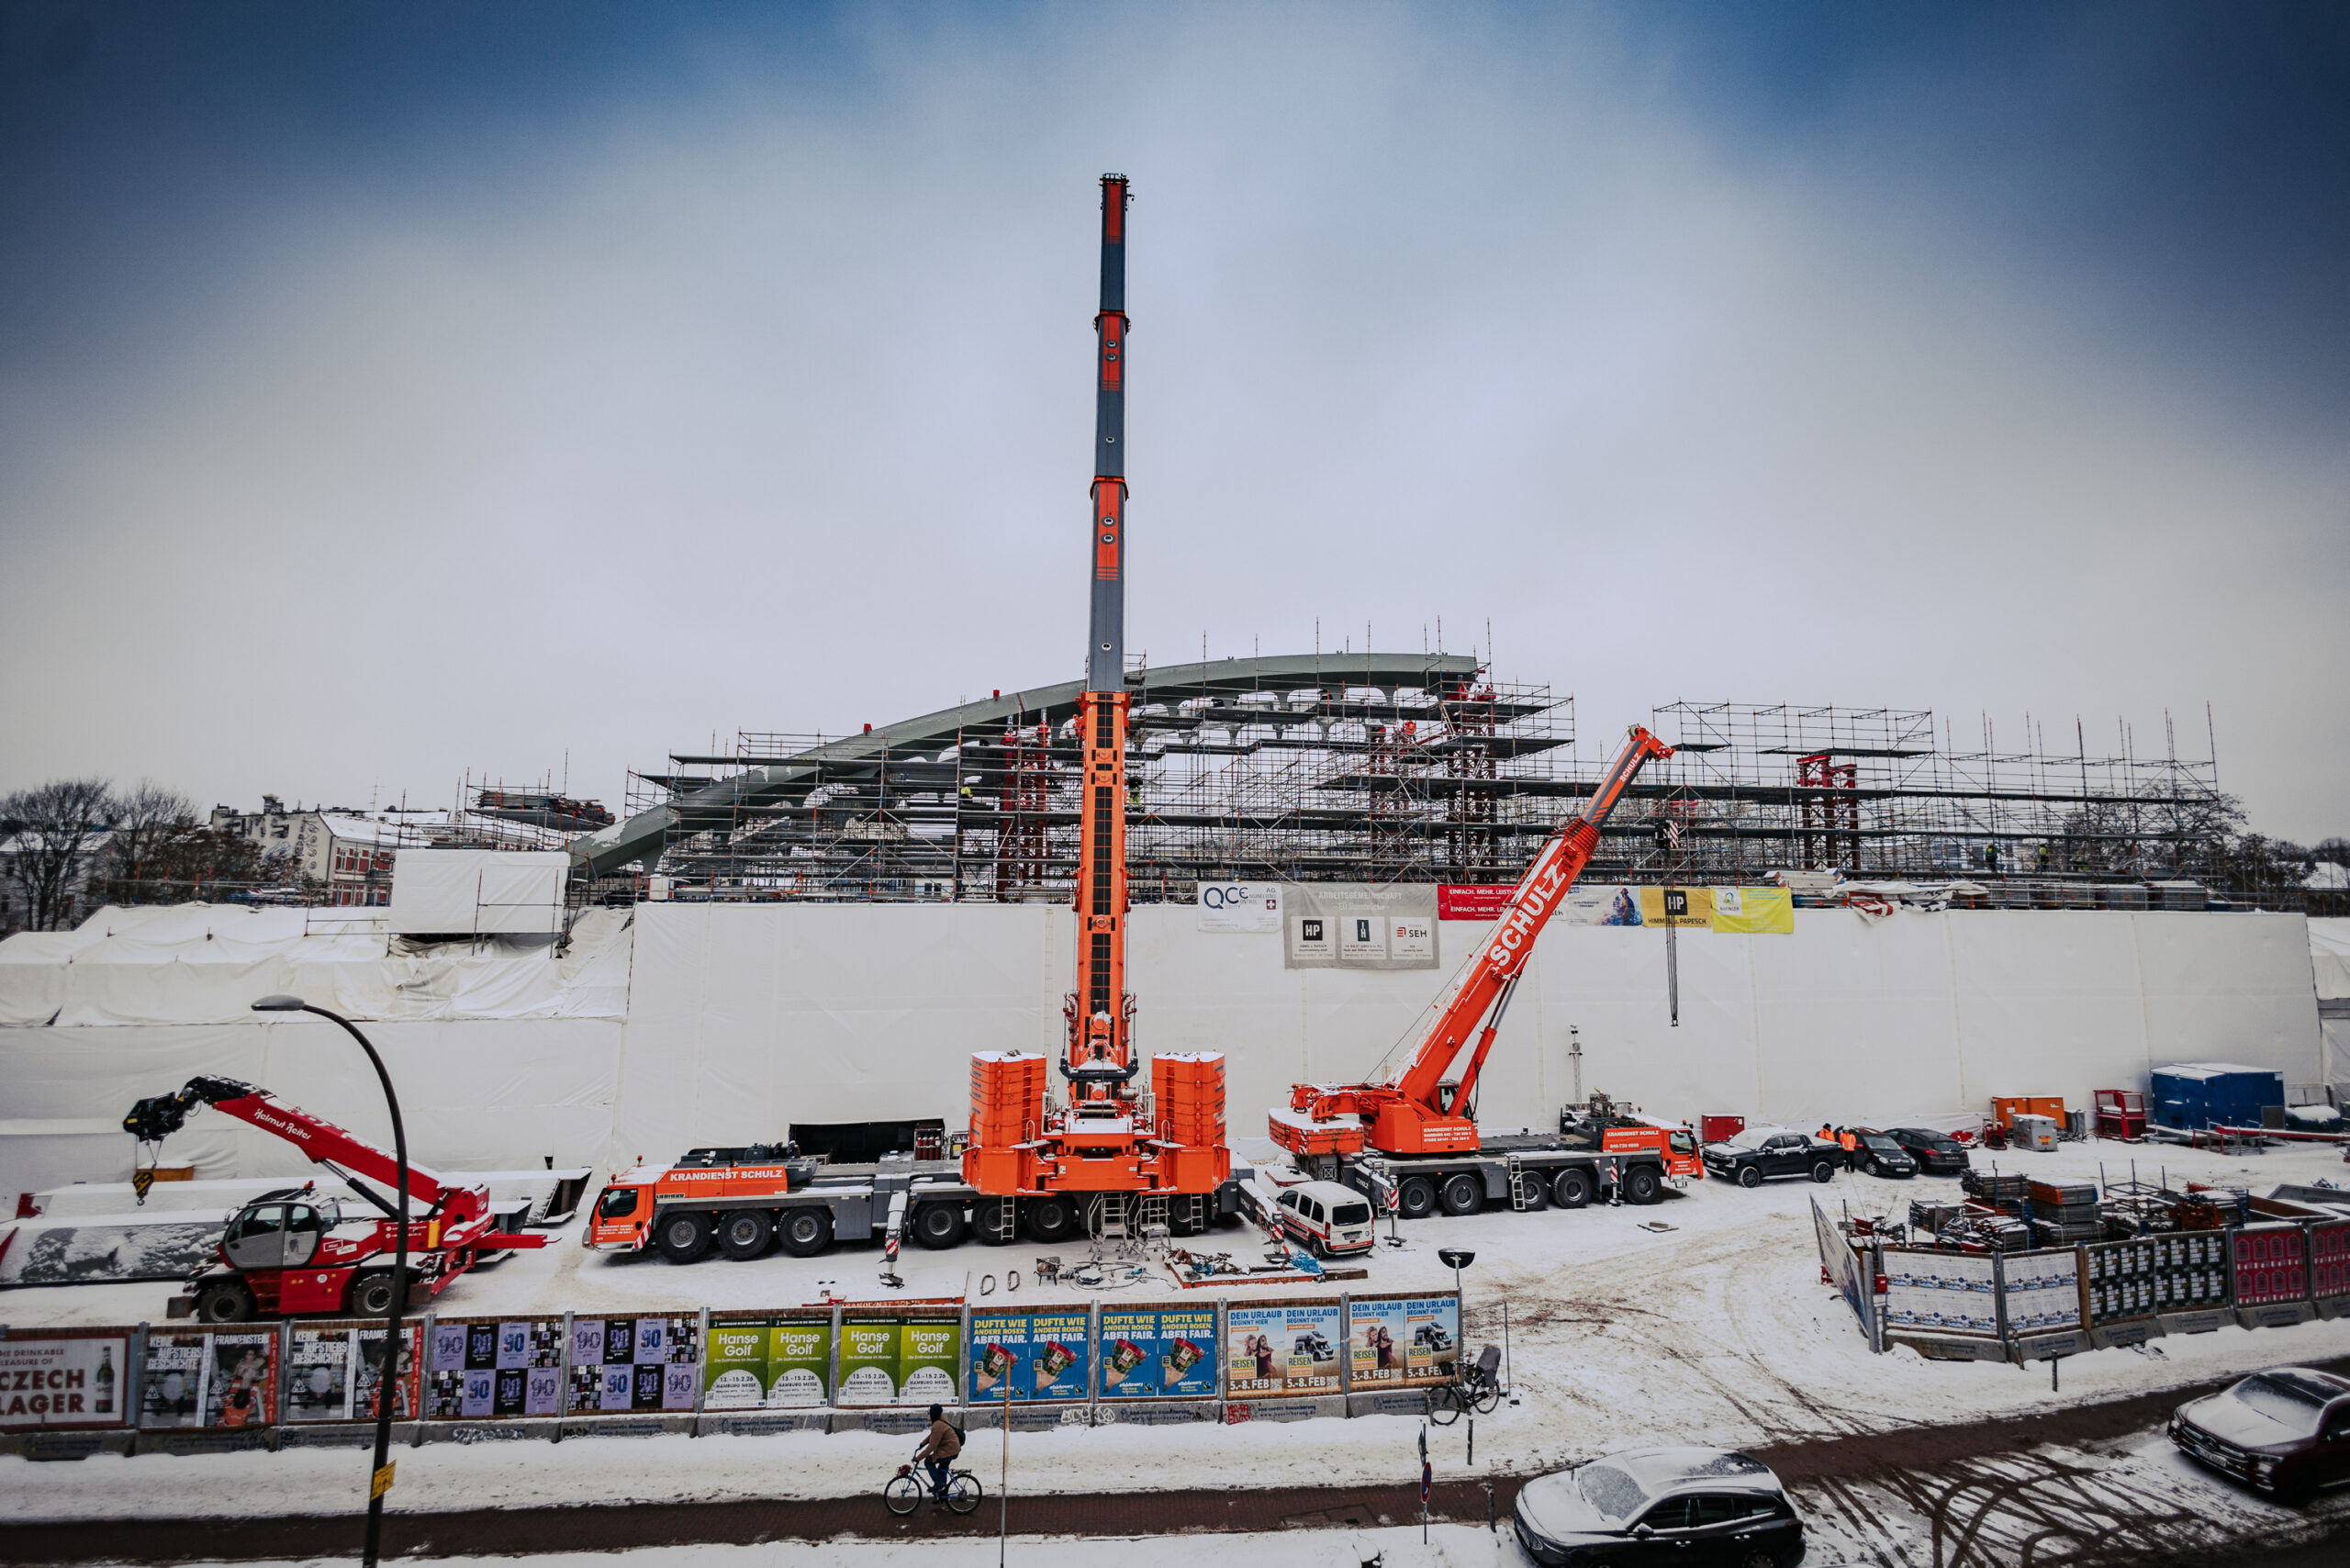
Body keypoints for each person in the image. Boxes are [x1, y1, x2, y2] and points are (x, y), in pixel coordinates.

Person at [912, 1403, 960, 1498]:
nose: (927, 1414)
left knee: (928, 1462)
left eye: (929, 1412)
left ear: (933, 1414)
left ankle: (939, 1484)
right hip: (952, 1449)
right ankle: (942, 1493)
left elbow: (932, 1447)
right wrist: (923, 1443)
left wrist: (918, 1458)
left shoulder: (937, 1425)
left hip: (949, 1450)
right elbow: (933, 1436)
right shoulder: (939, 1422)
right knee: (941, 1470)